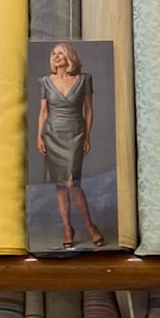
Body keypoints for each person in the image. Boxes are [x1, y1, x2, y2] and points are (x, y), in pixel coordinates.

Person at [36, 42, 104, 249]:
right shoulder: (46, 81)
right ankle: (67, 228)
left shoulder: (84, 79)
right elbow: (43, 112)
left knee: (72, 183)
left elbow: (89, 110)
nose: (56, 56)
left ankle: (90, 225)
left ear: (69, 57)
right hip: (52, 135)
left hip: (75, 133)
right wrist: (39, 137)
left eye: (60, 53)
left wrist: (87, 136)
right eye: (53, 54)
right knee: (60, 184)